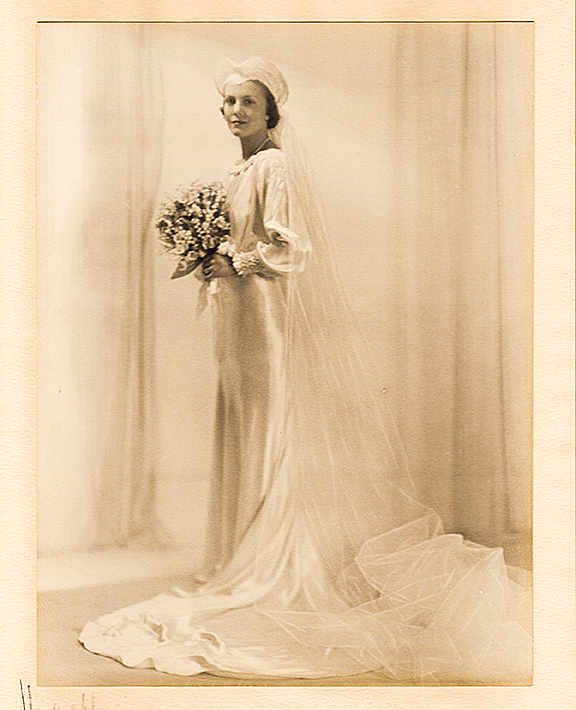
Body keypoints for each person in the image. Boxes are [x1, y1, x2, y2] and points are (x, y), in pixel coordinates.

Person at [79, 57, 531, 683]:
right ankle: (242, 552)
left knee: (267, 431)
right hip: (236, 317)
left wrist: (234, 260)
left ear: (271, 113)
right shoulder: (241, 168)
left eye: (248, 103)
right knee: (241, 427)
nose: (235, 111)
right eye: (229, 102)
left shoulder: (274, 165)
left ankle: (266, 562)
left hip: (262, 317)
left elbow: (292, 247)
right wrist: (207, 252)